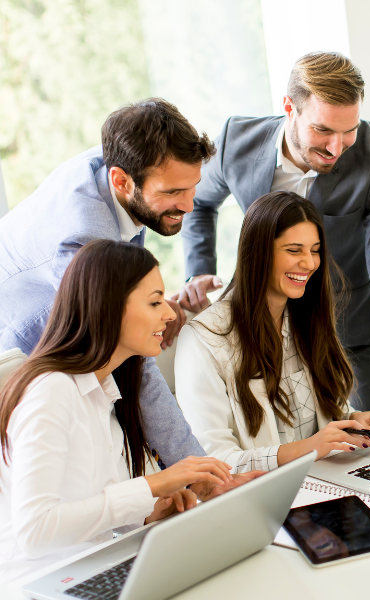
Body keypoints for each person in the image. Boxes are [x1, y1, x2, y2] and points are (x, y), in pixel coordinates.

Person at [0, 98, 258, 497]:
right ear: (121, 181)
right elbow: (138, 367)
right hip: (22, 352)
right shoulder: (83, 238)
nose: (189, 205)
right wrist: (203, 477)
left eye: (193, 187)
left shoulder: (122, 164)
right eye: (173, 192)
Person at [175, 52, 370, 411]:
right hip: (260, 333)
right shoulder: (236, 141)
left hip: (348, 337)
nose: (336, 147)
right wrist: (199, 269)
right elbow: (196, 201)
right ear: (289, 108)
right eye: (323, 130)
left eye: (349, 131)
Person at [0, 241, 239, 583]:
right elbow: (35, 531)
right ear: (108, 308)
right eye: (155, 302)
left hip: (90, 570)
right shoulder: (51, 391)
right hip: (39, 583)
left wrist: (150, 512)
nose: (170, 314)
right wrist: (152, 485)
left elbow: (93, 505)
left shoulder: (105, 391)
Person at [175, 191, 370, 473]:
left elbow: (313, 424)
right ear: (258, 252)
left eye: (315, 250)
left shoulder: (305, 318)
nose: (309, 263)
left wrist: (353, 421)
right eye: (294, 250)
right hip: (266, 494)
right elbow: (214, 461)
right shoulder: (203, 339)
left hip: (326, 480)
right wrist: (307, 448)